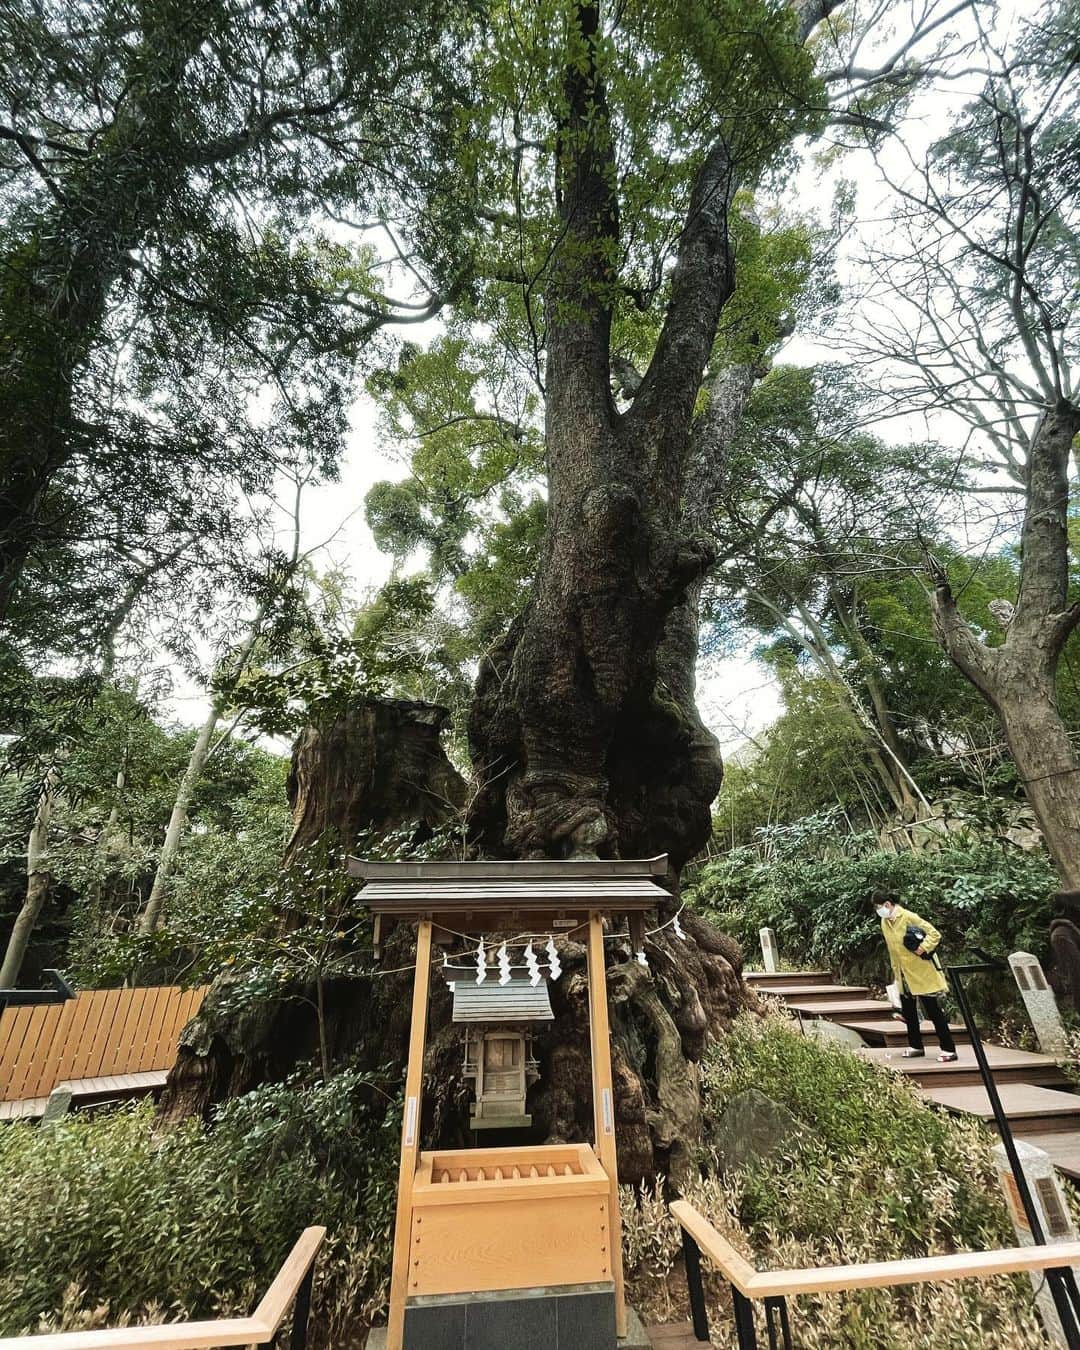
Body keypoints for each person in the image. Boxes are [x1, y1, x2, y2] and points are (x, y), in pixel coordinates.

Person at [873, 891, 958, 1062]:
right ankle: (916, 1046)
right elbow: (893, 949)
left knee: (933, 1010)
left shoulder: (908, 916)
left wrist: (922, 948)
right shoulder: (885, 922)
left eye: (878, 907)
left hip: (921, 971)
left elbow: (934, 934)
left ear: (887, 904)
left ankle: (949, 1049)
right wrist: (896, 974)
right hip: (903, 973)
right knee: (909, 1011)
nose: (878, 910)